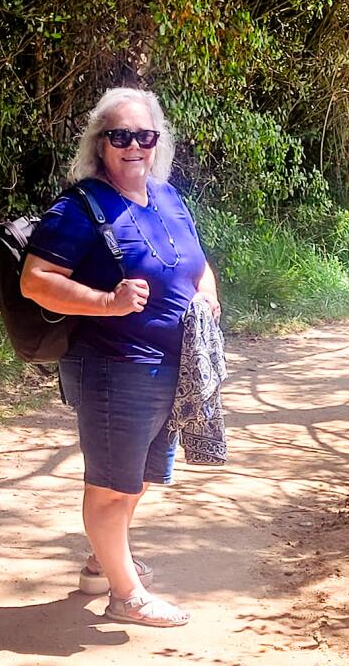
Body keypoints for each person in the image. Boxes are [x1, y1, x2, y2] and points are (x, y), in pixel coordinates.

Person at [19, 87, 220, 627]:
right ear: (100, 144)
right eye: (121, 136)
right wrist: (107, 302)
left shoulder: (168, 198)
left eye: (144, 136)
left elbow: (197, 265)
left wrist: (208, 298)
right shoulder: (79, 208)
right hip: (113, 366)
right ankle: (126, 595)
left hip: (174, 367)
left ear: (158, 143)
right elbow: (36, 281)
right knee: (111, 485)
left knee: (139, 475)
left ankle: (102, 563)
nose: (134, 146)